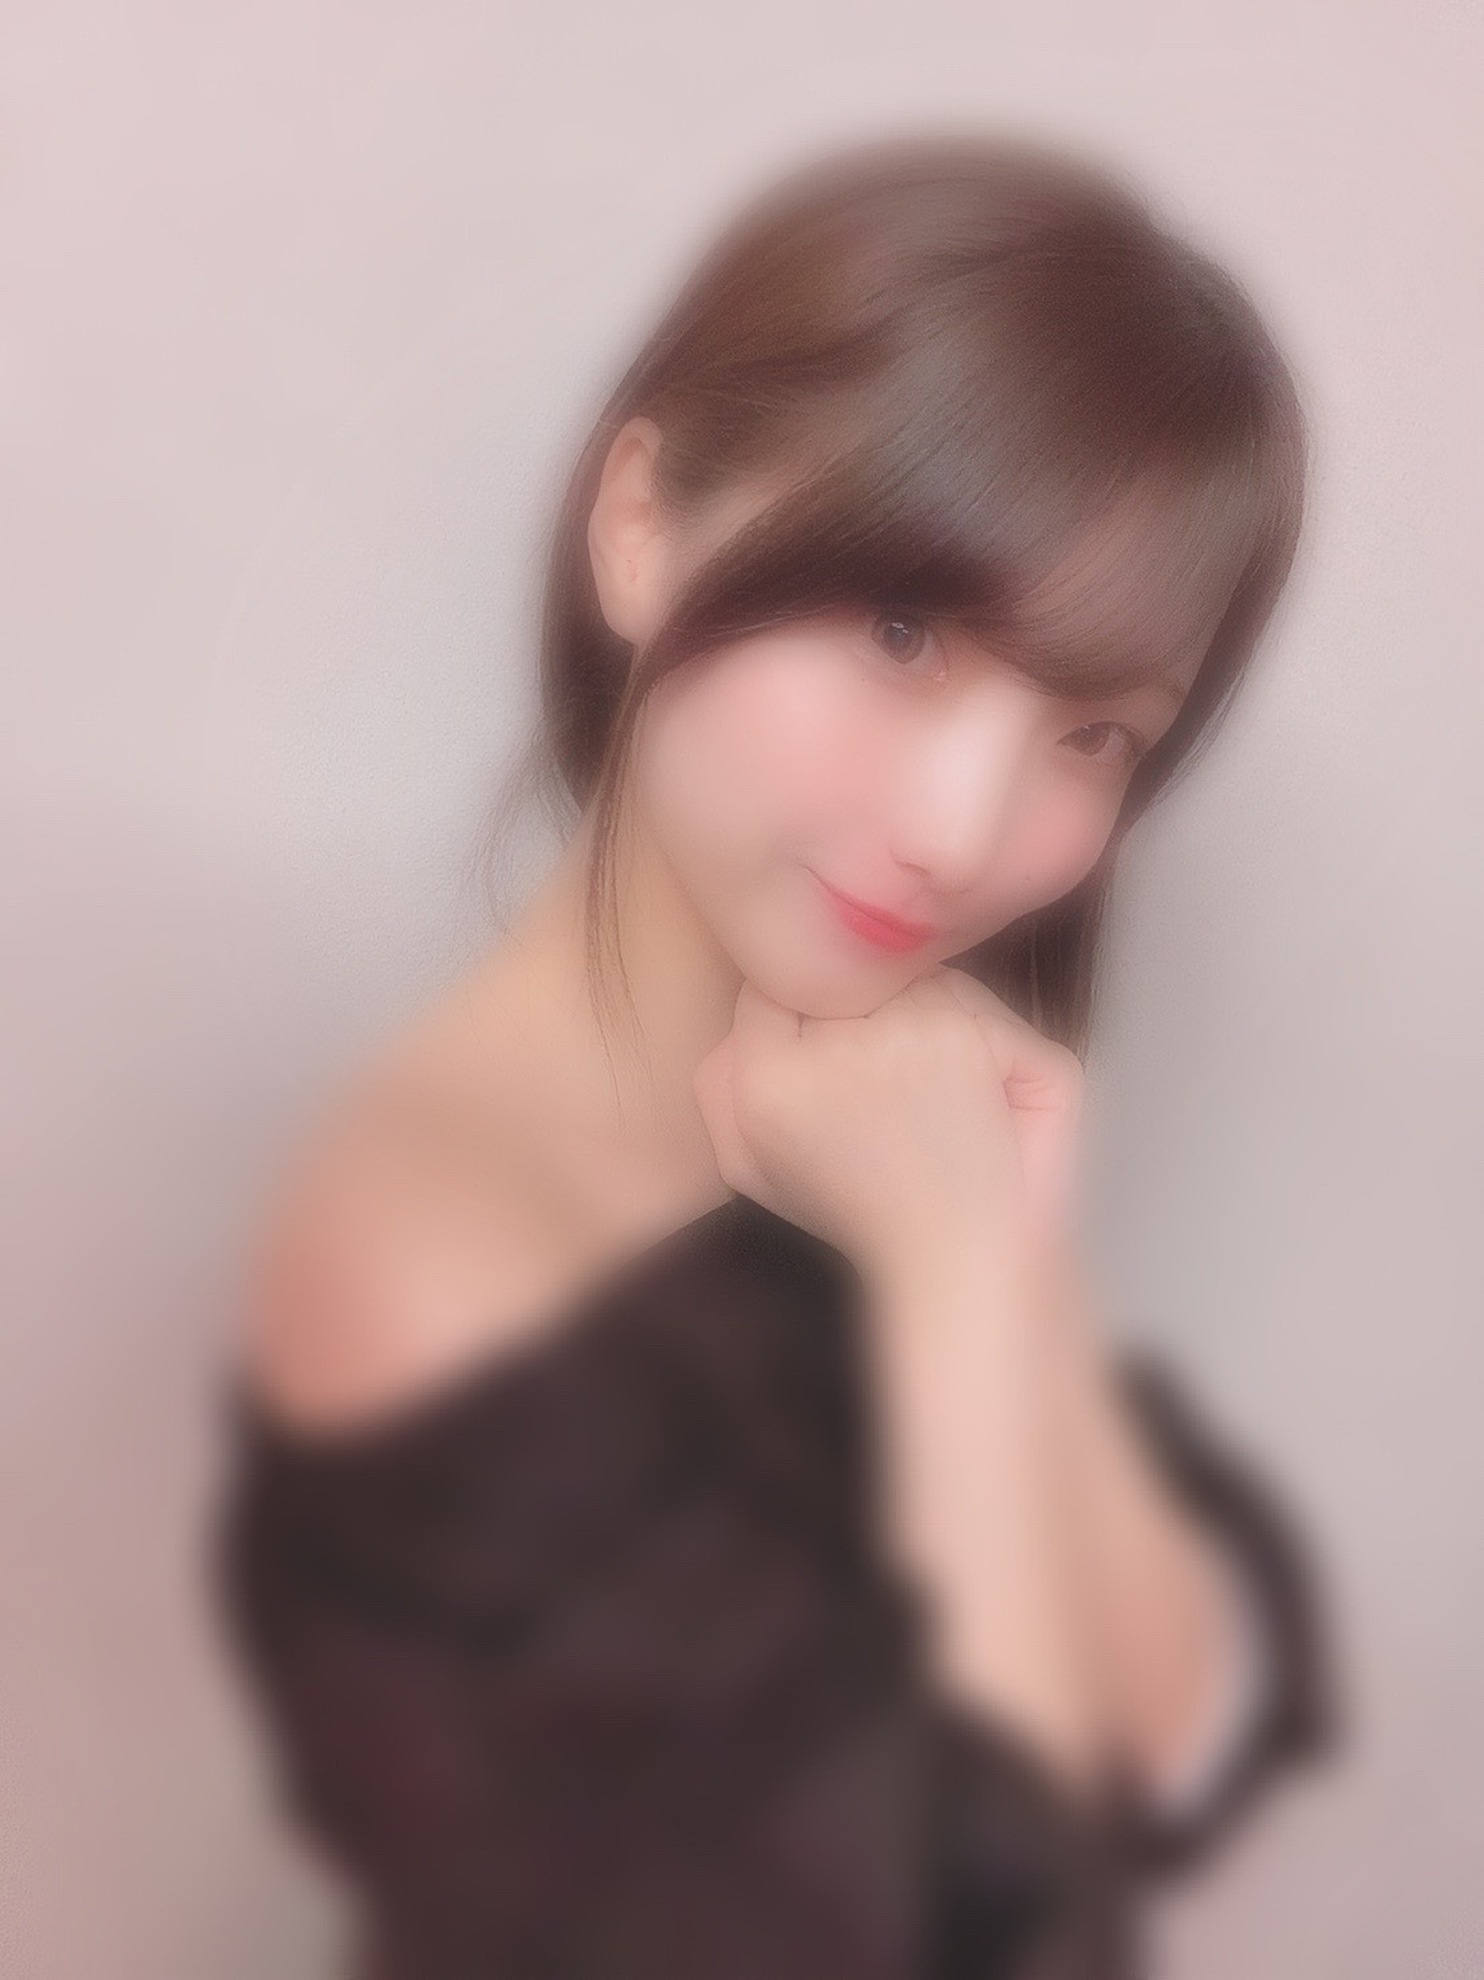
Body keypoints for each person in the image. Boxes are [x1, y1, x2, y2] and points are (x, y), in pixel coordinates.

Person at [208, 131, 1344, 1978]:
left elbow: (1185, 1720)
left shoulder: (859, 1116)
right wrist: (966, 1283)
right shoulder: (428, 1263)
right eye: (904, 632)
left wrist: (988, 1277)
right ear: (643, 526)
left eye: (1094, 734)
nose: (962, 831)